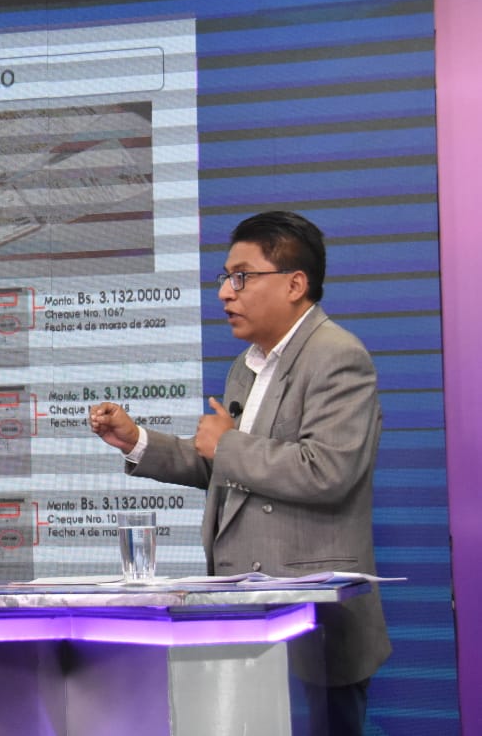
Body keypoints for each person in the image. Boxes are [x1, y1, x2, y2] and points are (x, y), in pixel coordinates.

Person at [88, 211, 390, 735]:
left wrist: (228, 444)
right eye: (226, 278)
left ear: (295, 284)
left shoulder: (338, 356)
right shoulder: (246, 366)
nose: (226, 292)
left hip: (312, 621)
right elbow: (227, 469)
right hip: (249, 616)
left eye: (242, 277)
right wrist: (137, 441)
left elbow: (328, 471)